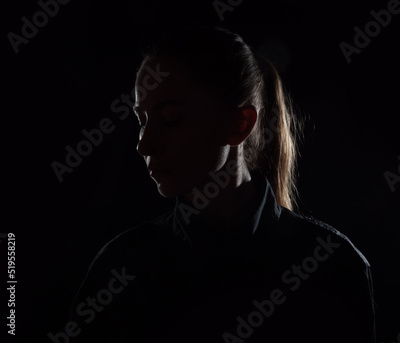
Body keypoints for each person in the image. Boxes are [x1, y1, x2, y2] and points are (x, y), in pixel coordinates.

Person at [68, 26, 375, 342]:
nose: (144, 145)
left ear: (239, 124)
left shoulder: (333, 266)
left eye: (171, 118)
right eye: (142, 121)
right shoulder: (121, 269)